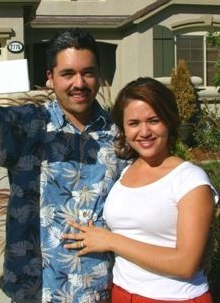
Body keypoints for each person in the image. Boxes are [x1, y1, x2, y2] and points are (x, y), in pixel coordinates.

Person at [0, 11, 126, 303]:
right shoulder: (26, 126)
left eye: (88, 72)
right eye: (68, 73)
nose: (79, 83)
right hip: (35, 291)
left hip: (104, 289)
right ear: (50, 77)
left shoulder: (121, 135)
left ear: (98, 75)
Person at [62, 77, 218, 303]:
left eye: (153, 120)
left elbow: (185, 264)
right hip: (123, 293)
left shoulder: (189, 180)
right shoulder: (126, 171)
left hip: (174, 298)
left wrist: (111, 241)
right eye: (133, 123)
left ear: (169, 121)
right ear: (123, 128)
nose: (144, 131)